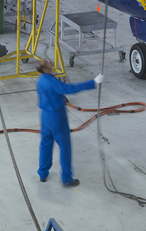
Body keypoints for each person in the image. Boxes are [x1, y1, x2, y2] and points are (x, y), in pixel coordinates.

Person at [35, 58, 102, 187]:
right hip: (57, 118)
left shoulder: (40, 81)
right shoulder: (52, 82)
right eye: (48, 62)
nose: (51, 63)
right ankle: (66, 178)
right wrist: (93, 82)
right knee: (65, 147)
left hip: (44, 117)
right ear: (44, 69)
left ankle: (42, 174)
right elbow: (71, 88)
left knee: (45, 145)